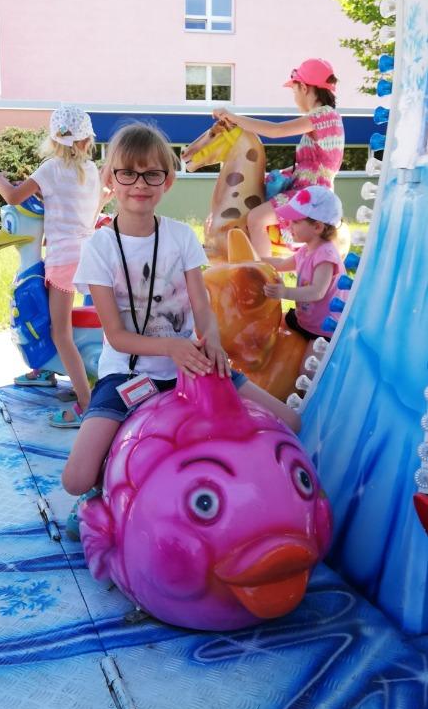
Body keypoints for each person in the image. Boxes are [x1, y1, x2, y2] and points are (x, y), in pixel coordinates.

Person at [61, 121, 301, 540]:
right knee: (76, 478)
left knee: (290, 422)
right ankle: (103, 491)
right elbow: (116, 336)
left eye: (152, 174)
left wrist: (213, 342)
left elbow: (201, 305)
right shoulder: (99, 247)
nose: (140, 184)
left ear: (167, 181)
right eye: (128, 173)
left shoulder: (180, 236)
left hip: (193, 364)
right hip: (128, 375)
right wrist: (173, 347)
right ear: (110, 178)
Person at [0, 104, 108, 427]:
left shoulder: (50, 169)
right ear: (87, 139)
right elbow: (84, 209)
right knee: (96, 323)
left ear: (54, 140)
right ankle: (54, 373)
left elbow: (14, 197)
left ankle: (86, 403)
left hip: (63, 261)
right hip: (90, 256)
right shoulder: (91, 170)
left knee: (60, 333)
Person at [213, 59, 344, 257]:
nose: (295, 97)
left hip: (311, 193)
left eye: (294, 90)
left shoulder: (324, 115)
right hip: (309, 188)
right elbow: (310, 165)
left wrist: (234, 118)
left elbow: (276, 130)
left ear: (304, 87)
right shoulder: (327, 117)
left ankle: (262, 272)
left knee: (256, 218)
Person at [261, 186, 346, 368]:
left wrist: (285, 292)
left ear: (317, 227)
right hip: (304, 319)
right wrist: (253, 260)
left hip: (323, 329)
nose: (289, 226)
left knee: (307, 372)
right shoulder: (306, 250)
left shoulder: (326, 255)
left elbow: (317, 292)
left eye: (296, 222)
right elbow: (281, 264)